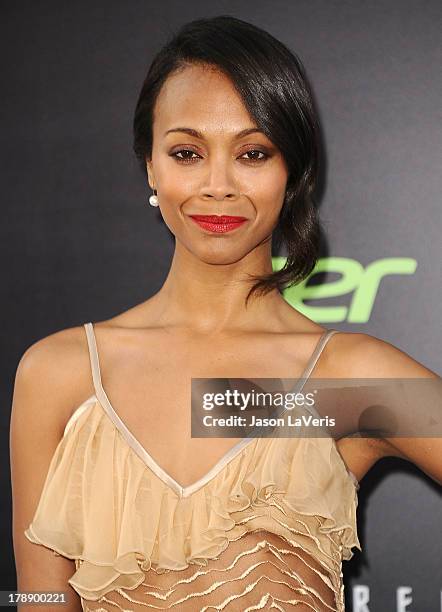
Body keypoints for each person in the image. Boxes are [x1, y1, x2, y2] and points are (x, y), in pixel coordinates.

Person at [10, 14, 441, 612]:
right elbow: (40, 601)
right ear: (150, 166)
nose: (218, 185)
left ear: (290, 173)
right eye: (187, 152)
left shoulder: (343, 382)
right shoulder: (59, 374)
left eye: (253, 152)